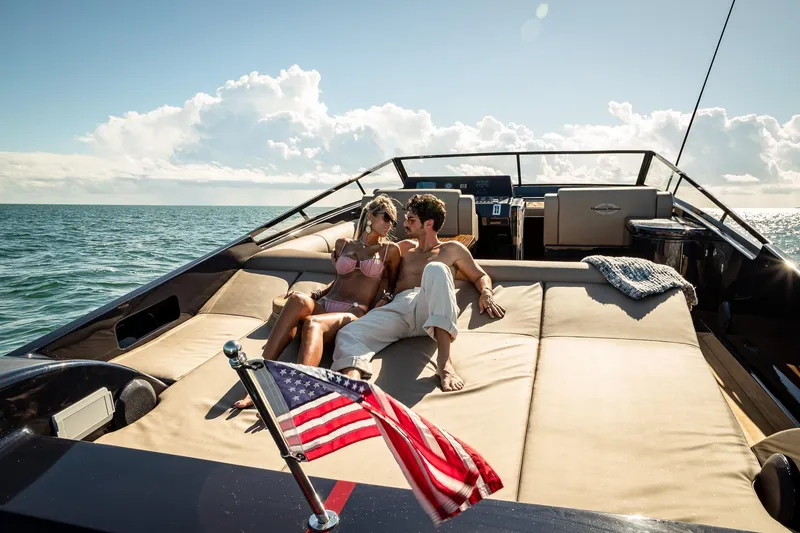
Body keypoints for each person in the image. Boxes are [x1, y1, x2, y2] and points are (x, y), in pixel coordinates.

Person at [233, 194, 402, 409]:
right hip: (328, 302)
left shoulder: (390, 250)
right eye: (386, 218)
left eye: (393, 221)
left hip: (354, 312)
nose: (390, 224)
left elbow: (393, 286)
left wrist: (385, 299)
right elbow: (339, 280)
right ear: (370, 216)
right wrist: (314, 295)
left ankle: (299, 392)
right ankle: (260, 380)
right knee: (297, 299)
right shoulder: (343, 244)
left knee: (313, 323)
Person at [331, 193, 506, 392]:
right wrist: (342, 260)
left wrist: (486, 293)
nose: (405, 223)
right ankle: (352, 387)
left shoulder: (451, 250)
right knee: (349, 333)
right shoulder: (403, 248)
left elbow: (479, 275)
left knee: (437, 269)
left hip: (429, 309)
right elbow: (374, 262)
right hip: (398, 309)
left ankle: (444, 363)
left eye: (411, 220)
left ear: (428, 223)